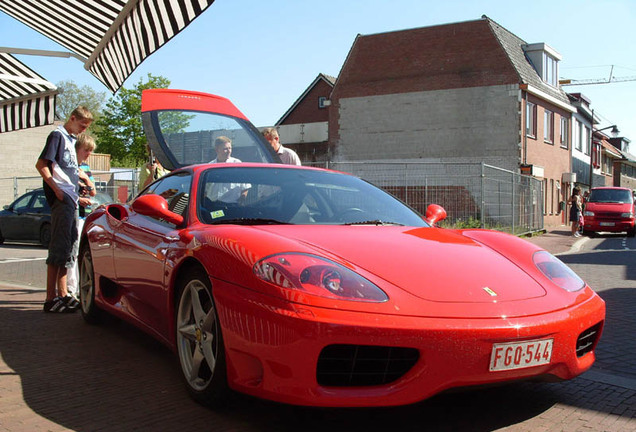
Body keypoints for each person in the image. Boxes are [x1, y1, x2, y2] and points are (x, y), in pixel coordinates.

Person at [35, 106, 94, 313]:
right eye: (81, 126)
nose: (82, 131)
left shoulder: (70, 140)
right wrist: (57, 190)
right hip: (63, 199)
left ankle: (63, 294)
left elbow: (68, 168)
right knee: (59, 246)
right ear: (72, 118)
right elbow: (42, 164)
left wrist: (81, 182)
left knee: (68, 247)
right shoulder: (57, 136)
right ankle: (50, 298)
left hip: (71, 199)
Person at [67, 133, 97, 298]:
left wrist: (86, 178)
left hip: (85, 215)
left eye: (90, 151)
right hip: (74, 214)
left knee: (81, 251)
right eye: (86, 150)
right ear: (77, 149)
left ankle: (79, 285)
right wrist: (79, 199)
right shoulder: (69, 167)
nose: (89, 154)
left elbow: (93, 191)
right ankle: (72, 288)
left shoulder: (84, 168)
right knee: (74, 249)